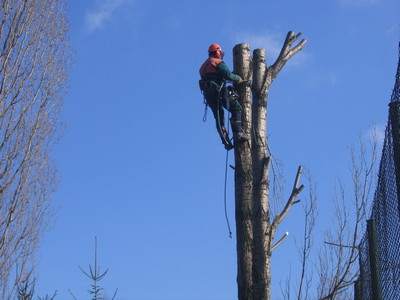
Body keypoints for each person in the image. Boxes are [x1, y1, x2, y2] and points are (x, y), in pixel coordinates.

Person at [199, 43, 248, 150]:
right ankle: (239, 132)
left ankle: (225, 142)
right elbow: (228, 75)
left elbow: (216, 76)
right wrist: (239, 79)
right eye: (220, 53)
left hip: (209, 95)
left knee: (219, 117)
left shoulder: (203, 67)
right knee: (236, 108)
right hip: (219, 91)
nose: (220, 55)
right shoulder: (218, 62)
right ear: (217, 52)